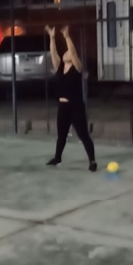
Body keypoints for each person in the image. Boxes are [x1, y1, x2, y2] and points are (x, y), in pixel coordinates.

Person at [44, 25, 97, 172]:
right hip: (63, 108)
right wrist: (52, 37)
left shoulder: (77, 68)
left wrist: (67, 36)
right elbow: (53, 53)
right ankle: (57, 157)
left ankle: (92, 161)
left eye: (67, 52)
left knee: (83, 135)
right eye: (65, 52)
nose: (66, 53)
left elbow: (73, 53)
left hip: (76, 107)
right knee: (61, 135)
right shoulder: (59, 67)